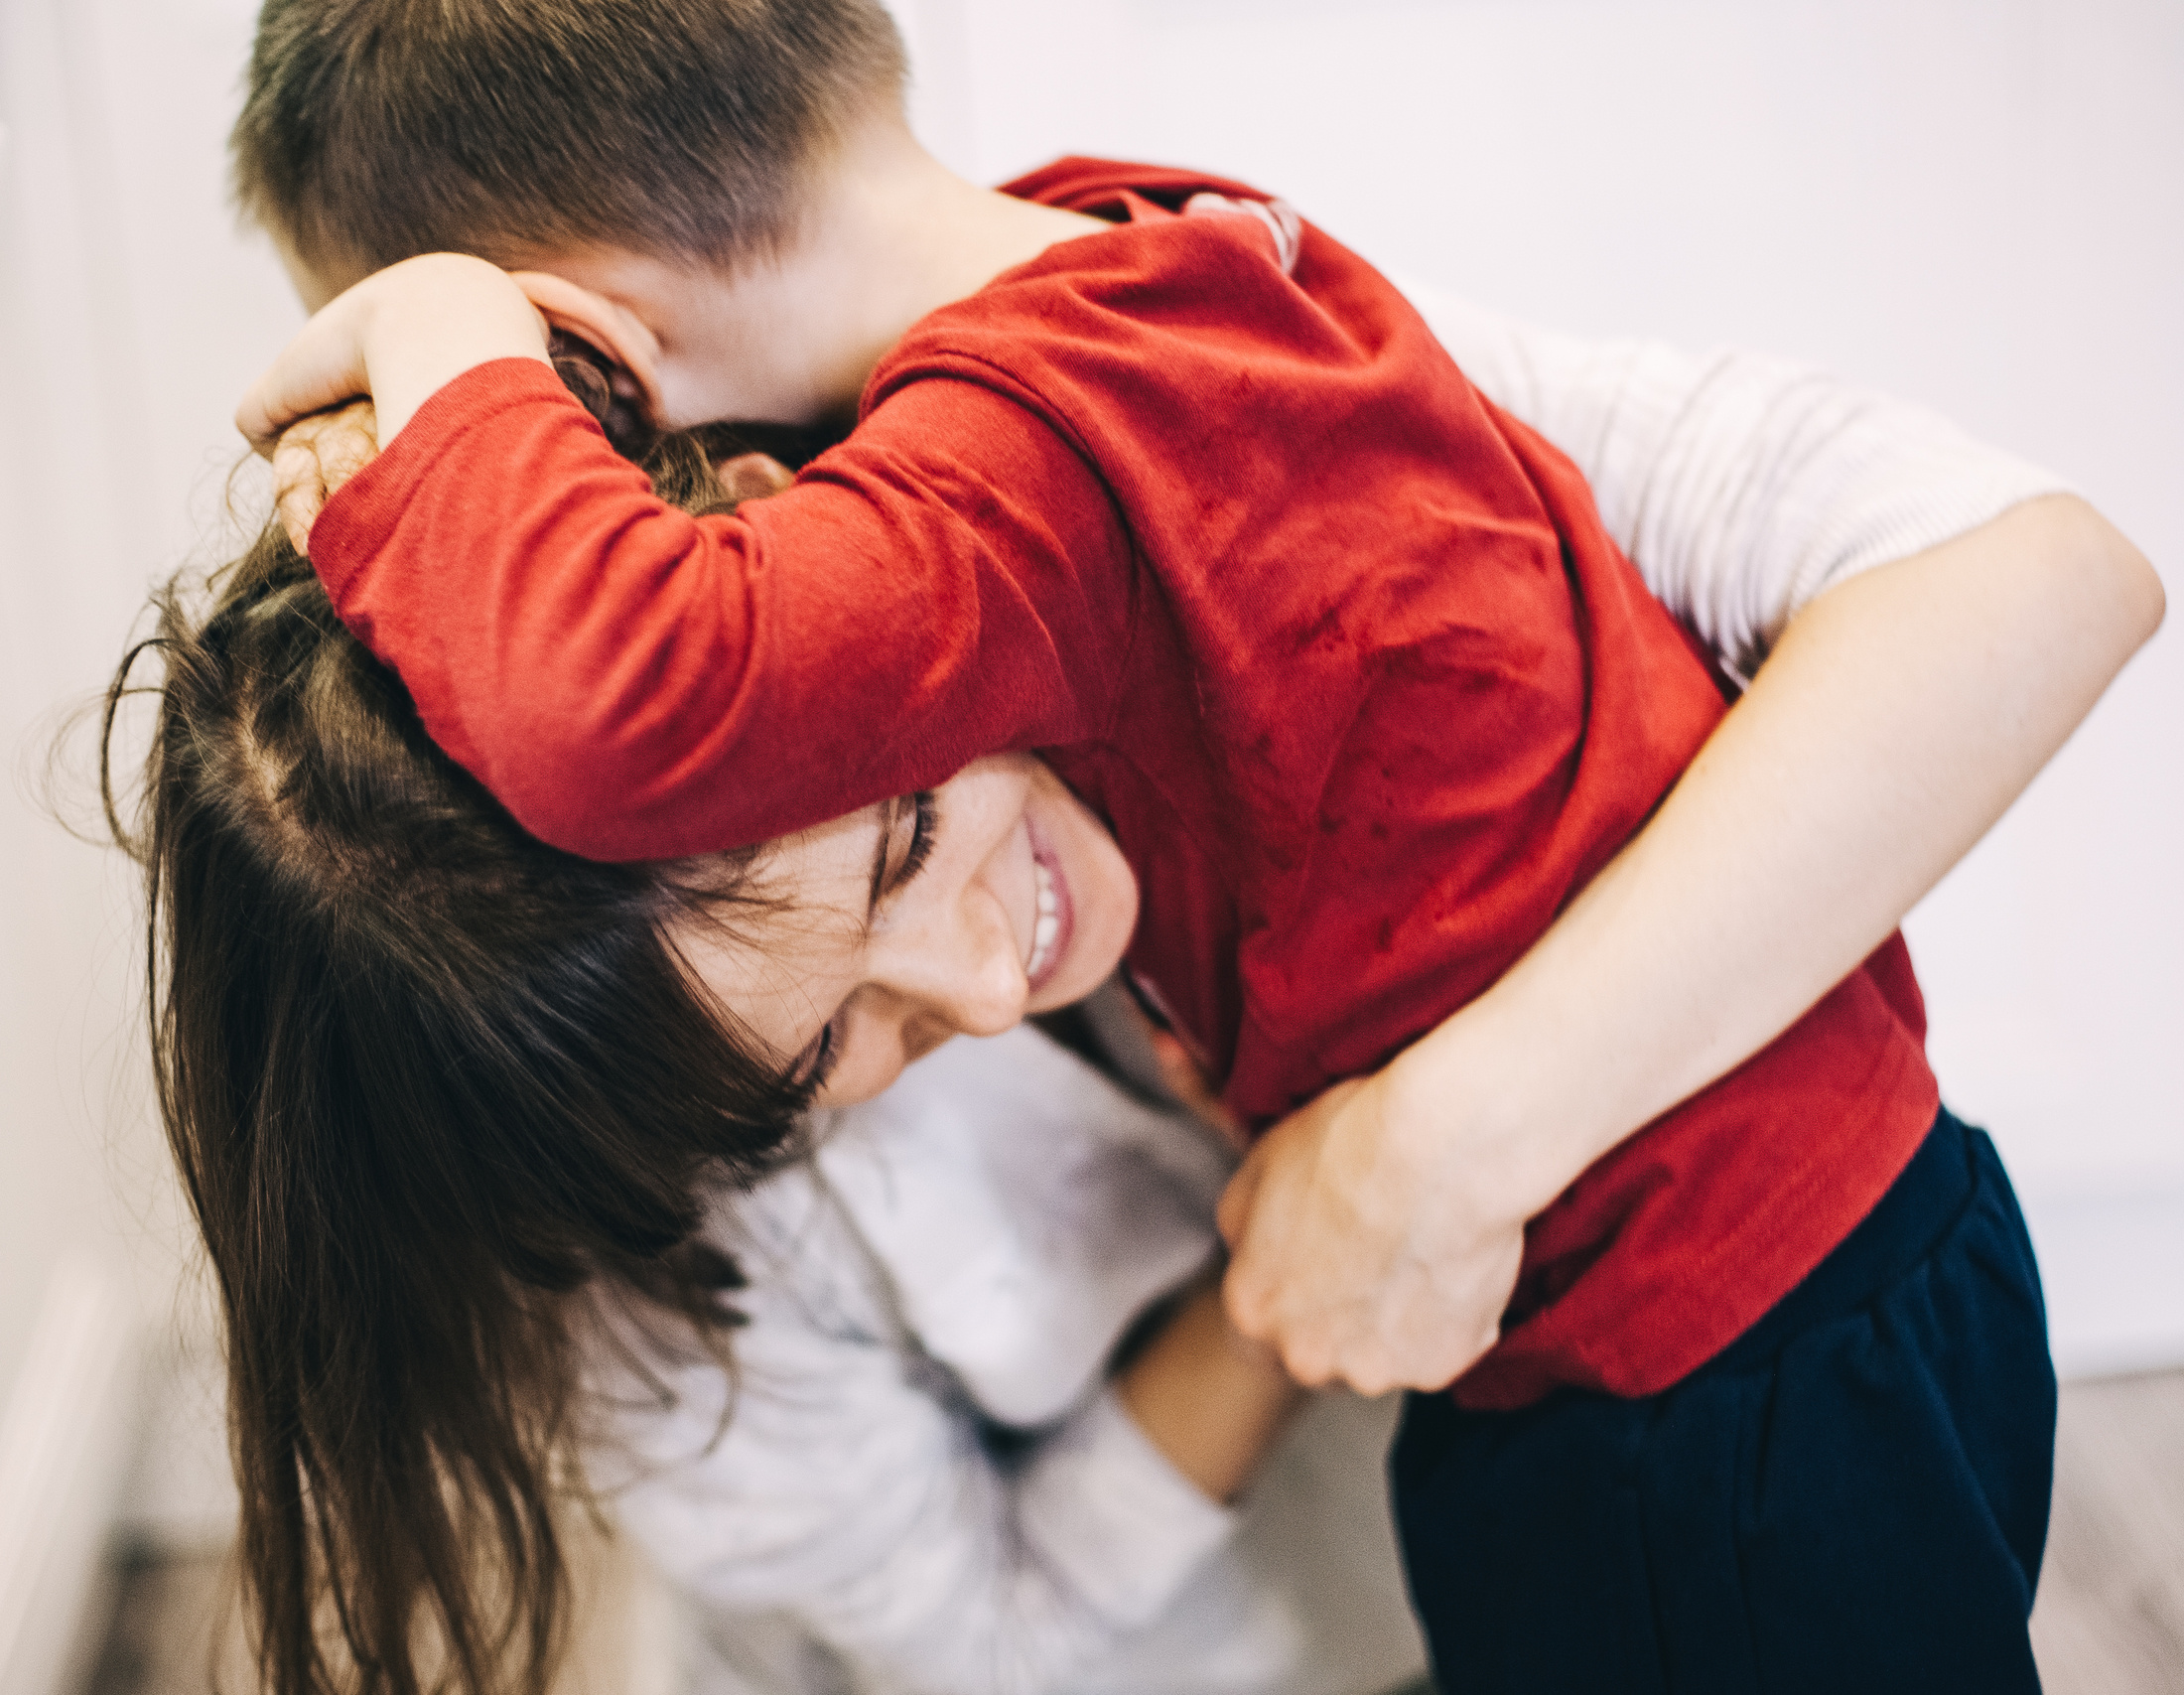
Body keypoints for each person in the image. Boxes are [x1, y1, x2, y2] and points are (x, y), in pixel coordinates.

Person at [223, 3, 2163, 1690]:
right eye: (820, 1059)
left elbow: (615, 700)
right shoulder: (1186, 246)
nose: (986, 984)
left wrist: (439, 336)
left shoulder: (1003, 485)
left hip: (1681, 1376)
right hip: (1863, 1253)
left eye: (908, 831)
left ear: (598, 354)